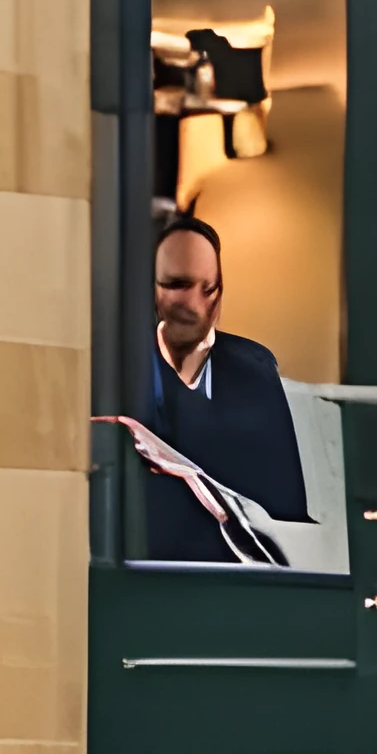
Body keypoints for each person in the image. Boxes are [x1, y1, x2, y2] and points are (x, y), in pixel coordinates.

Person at [135, 205, 311, 558]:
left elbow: (286, 499)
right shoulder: (124, 367)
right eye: (178, 285)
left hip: (236, 570)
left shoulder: (256, 368)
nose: (195, 303)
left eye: (209, 288)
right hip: (149, 569)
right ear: (152, 289)